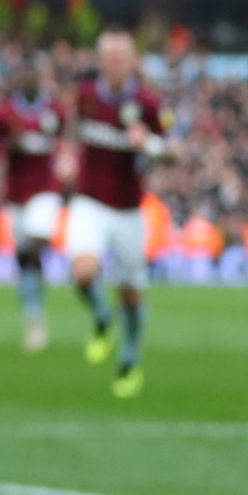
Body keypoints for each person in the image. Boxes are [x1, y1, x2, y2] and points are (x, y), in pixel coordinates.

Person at [66, 30, 172, 399]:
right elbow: (71, 129)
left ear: (131, 62)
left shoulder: (147, 103)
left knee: (130, 293)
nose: (113, 64)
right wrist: (66, 156)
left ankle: (129, 357)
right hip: (89, 202)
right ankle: (100, 315)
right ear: (99, 62)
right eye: (107, 58)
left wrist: (151, 144)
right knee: (83, 272)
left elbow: (176, 151)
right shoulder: (85, 96)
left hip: (128, 208)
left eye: (119, 58)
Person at [0, 53, 65, 353]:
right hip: (16, 193)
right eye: (24, 78)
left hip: (46, 189)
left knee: (36, 243)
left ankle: (35, 314)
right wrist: (6, 145)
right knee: (25, 257)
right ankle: (34, 318)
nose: (29, 83)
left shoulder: (54, 110)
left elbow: (70, 138)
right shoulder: (4, 113)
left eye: (33, 78)